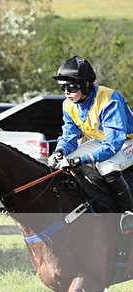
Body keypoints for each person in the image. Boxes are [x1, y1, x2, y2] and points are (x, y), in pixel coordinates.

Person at [47, 55, 133, 233]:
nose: (67, 92)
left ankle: (128, 213)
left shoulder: (109, 99)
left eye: (71, 87)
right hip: (102, 141)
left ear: (86, 84)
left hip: (126, 141)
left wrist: (82, 160)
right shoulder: (68, 105)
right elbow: (69, 136)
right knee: (63, 162)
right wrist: (60, 151)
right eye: (63, 87)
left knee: (107, 166)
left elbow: (113, 144)